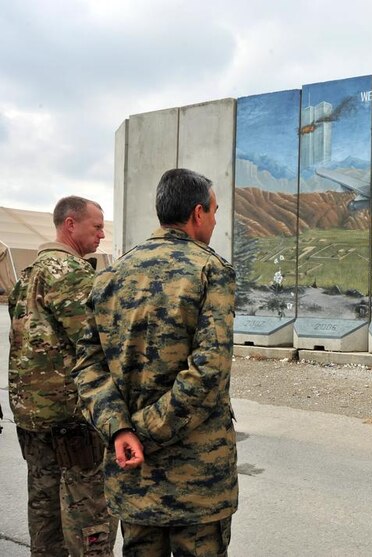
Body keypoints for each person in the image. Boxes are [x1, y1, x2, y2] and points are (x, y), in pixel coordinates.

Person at [73, 168, 237, 556]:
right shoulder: (210, 270)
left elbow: (87, 366)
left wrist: (122, 430)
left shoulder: (111, 275)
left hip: (133, 474)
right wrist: (142, 430)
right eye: (214, 212)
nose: (215, 221)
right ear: (198, 213)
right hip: (196, 482)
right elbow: (209, 370)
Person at [7, 196, 116, 556]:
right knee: (89, 515)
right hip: (72, 420)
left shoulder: (28, 275)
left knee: (44, 510)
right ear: (70, 224)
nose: (102, 234)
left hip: (32, 417)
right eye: (96, 226)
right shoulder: (70, 273)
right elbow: (97, 343)